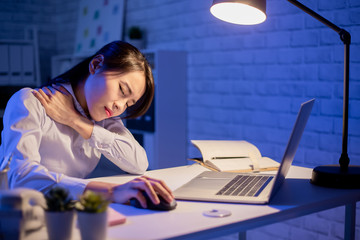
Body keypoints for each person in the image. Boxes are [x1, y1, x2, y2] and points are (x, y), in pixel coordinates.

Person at [0, 41, 173, 208]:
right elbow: (21, 178)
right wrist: (110, 191)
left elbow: (139, 163)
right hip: (21, 216)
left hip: (69, 212)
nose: (120, 106)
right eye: (122, 90)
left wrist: (77, 121)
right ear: (96, 65)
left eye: (129, 104)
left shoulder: (104, 117)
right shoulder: (30, 101)